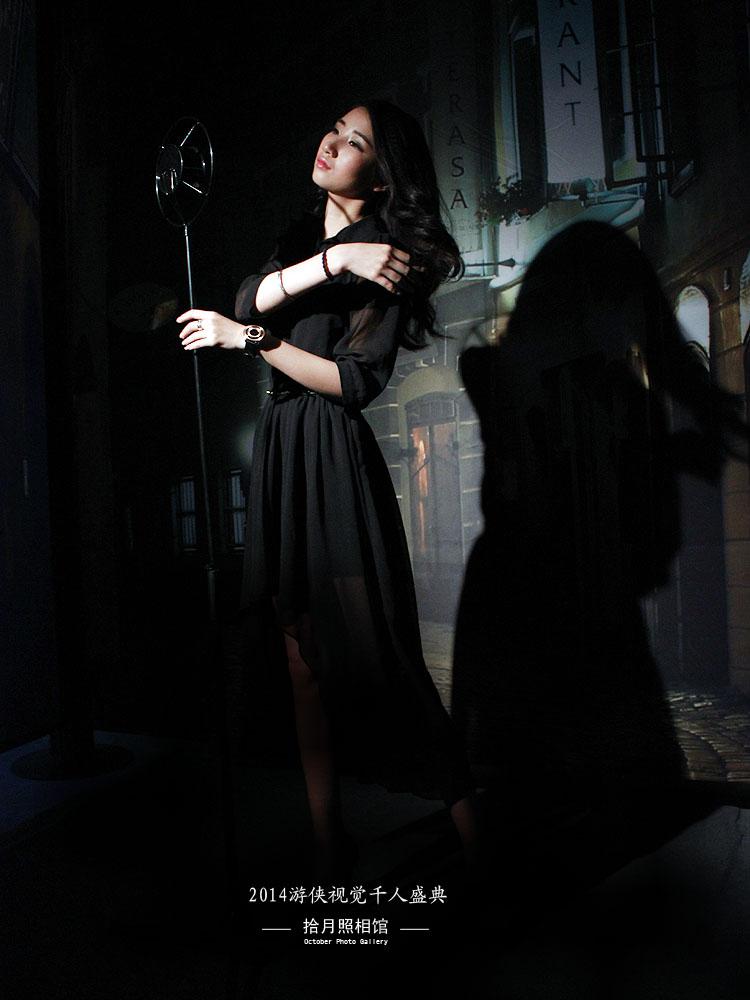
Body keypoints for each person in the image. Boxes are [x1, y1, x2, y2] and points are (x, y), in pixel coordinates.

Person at [176, 100, 482, 883]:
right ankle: (326, 842)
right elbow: (247, 296)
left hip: (331, 453)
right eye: (335, 130)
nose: (332, 144)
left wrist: (255, 340)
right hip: (282, 448)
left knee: (384, 656)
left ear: (379, 178)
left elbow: (351, 382)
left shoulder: (389, 256)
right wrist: (330, 264)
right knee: (299, 659)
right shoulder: (303, 243)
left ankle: (480, 841)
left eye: (356, 142)